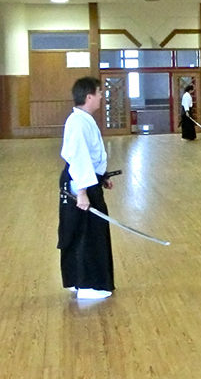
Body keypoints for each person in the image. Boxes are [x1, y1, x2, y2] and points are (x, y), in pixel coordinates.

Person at [57, 77, 115, 300]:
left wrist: (102, 177)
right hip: (79, 183)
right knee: (87, 231)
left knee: (83, 228)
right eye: (99, 93)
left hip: (88, 179)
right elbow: (78, 157)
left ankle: (77, 279)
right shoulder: (77, 122)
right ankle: (88, 285)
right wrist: (82, 192)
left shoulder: (84, 120)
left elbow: (91, 156)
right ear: (89, 96)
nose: (101, 97)